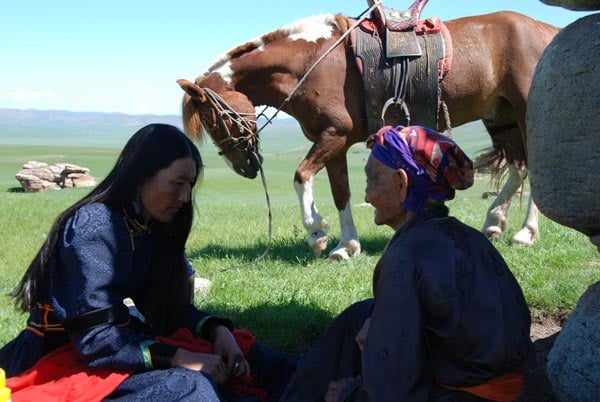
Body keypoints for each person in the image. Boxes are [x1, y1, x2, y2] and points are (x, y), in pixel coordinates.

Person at [0, 123, 296, 401]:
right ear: (140, 177)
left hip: (116, 348)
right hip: (62, 358)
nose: (184, 197)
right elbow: (97, 339)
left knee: (251, 355)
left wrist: (218, 332)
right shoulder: (93, 226)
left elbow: (167, 312)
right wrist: (180, 358)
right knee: (190, 388)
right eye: (177, 183)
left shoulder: (150, 225)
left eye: (190, 185)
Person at [280, 125, 534, 402]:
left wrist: (349, 394)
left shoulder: (405, 255)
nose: (367, 196)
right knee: (361, 315)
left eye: (372, 180)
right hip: (502, 388)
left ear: (401, 184)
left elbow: (394, 388)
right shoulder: (472, 238)